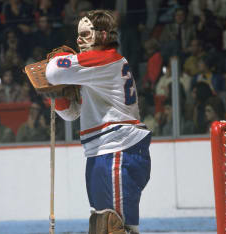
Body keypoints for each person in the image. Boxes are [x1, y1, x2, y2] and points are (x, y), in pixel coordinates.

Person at [45, 10, 151, 233]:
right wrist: (58, 97)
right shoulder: (91, 70)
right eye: (78, 35)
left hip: (118, 150)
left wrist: (54, 64)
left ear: (103, 36)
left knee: (115, 226)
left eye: (85, 33)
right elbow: (72, 114)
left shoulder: (103, 59)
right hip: (104, 151)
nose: (78, 40)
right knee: (102, 224)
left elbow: (53, 71)